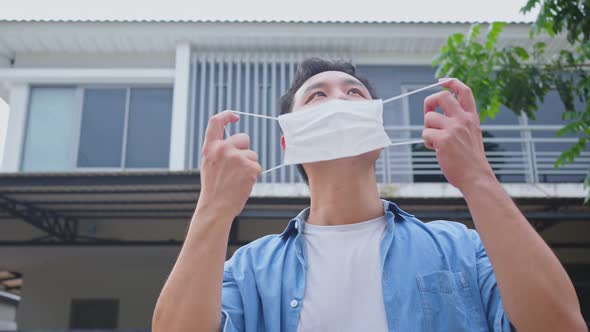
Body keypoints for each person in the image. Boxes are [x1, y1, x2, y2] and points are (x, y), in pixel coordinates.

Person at [152, 58, 586, 332]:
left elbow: (562, 325)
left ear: (378, 131)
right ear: (291, 140)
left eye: (353, 93)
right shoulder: (248, 271)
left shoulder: (460, 248)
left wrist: (478, 178)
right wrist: (213, 207)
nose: (339, 101)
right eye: (317, 96)